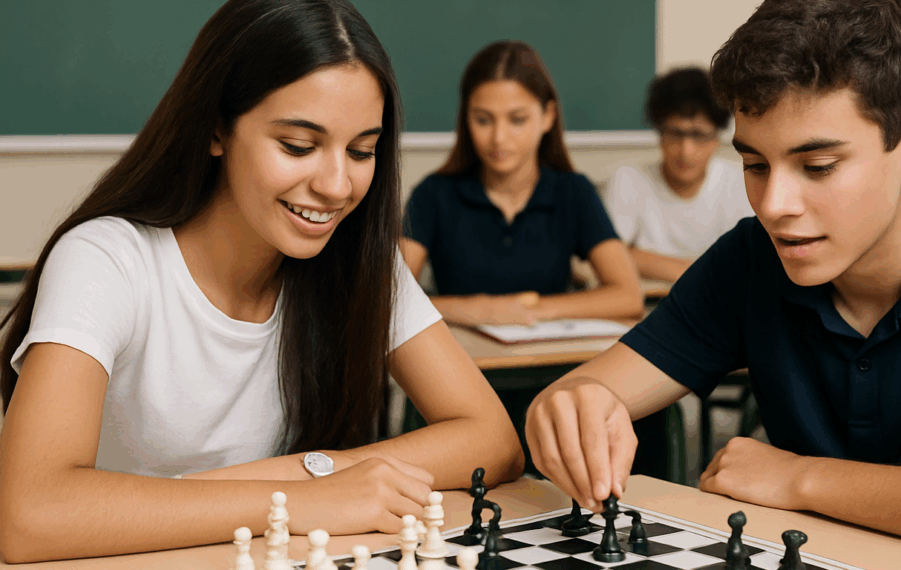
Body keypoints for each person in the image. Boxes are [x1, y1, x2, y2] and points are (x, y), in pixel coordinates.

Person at [524, 1, 901, 569]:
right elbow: (583, 393)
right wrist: (570, 408)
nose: (774, 206)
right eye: (755, 165)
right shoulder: (751, 261)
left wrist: (800, 478)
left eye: (818, 167)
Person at [0, 0, 522, 562]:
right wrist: (297, 498)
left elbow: (492, 438)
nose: (337, 185)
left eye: (362, 150)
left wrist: (316, 476)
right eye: (298, 146)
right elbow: (31, 513)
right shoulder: (106, 259)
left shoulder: (356, 258)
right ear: (216, 128)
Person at [399, 40, 643, 327]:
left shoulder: (573, 191)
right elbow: (389, 299)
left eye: (517, 120)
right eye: (482, 120)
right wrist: (479, 310)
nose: (499, 138)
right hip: (463, 360)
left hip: (547, 359)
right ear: (466, 119)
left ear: (547, 116)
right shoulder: (433, 194)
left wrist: (530, 310)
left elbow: (628, 296)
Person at [604, 67, 753, 282]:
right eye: (675, 133)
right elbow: (609, 257)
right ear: (659, 134)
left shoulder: (739, 182)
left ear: (716, 140)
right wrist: (702, 271)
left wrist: (638, 257)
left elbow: (750, 260)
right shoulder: (627, 180)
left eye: (699, 135)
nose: (686, 150)